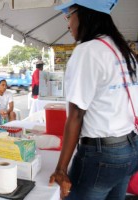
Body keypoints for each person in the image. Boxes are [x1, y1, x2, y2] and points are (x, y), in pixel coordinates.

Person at [49, 1, 138, 200]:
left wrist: (61, 169)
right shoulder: (123, 50)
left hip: (102, 156)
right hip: (130, 148)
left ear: (84, 14)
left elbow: (76, 115)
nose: (68, 24)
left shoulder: (87, 51)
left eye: (68, 15)